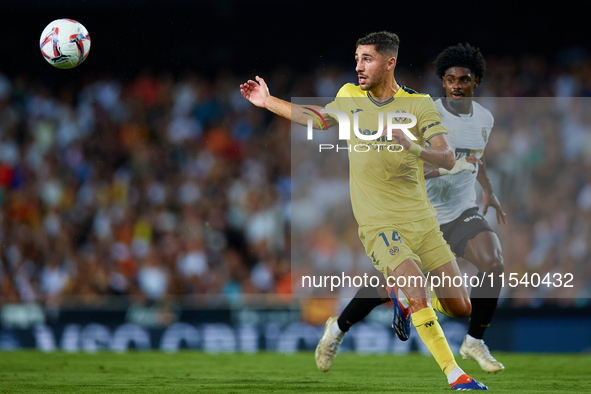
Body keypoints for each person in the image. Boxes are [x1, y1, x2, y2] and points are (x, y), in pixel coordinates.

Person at [241, 32, 487, 391]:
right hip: (378, 222)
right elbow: (319, 118)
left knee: (461, 307)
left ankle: (341, 324)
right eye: (357, 58)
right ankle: (456, 376)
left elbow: (446, 157)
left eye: (367, 59)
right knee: (414, 285)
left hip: (422, 221)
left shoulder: (419, 106)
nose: (358, 65)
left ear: (390, 63)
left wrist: (413, 146)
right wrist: (268, 102)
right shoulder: (349, 96)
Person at [319, 43, 506, 375]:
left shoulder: (485, 119)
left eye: (464, 79)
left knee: (492, 262)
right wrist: (452, 165)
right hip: (419, 212)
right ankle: (337, 328)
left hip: (461, 211)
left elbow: (474, 157)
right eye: (450, 79)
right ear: (442, 82)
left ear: (476, 81)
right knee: (389, 289)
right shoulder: (420, 109)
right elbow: (407, 165)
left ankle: (474, 341)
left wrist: (487, 188)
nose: (457, 86)